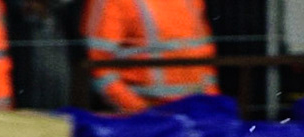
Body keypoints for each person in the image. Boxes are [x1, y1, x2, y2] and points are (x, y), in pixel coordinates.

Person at [81, 0, 219, 113]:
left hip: (195, 113)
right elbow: (99, 66)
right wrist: (141, 112)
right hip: (145, 119)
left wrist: (213, 104)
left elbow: (203, 56)